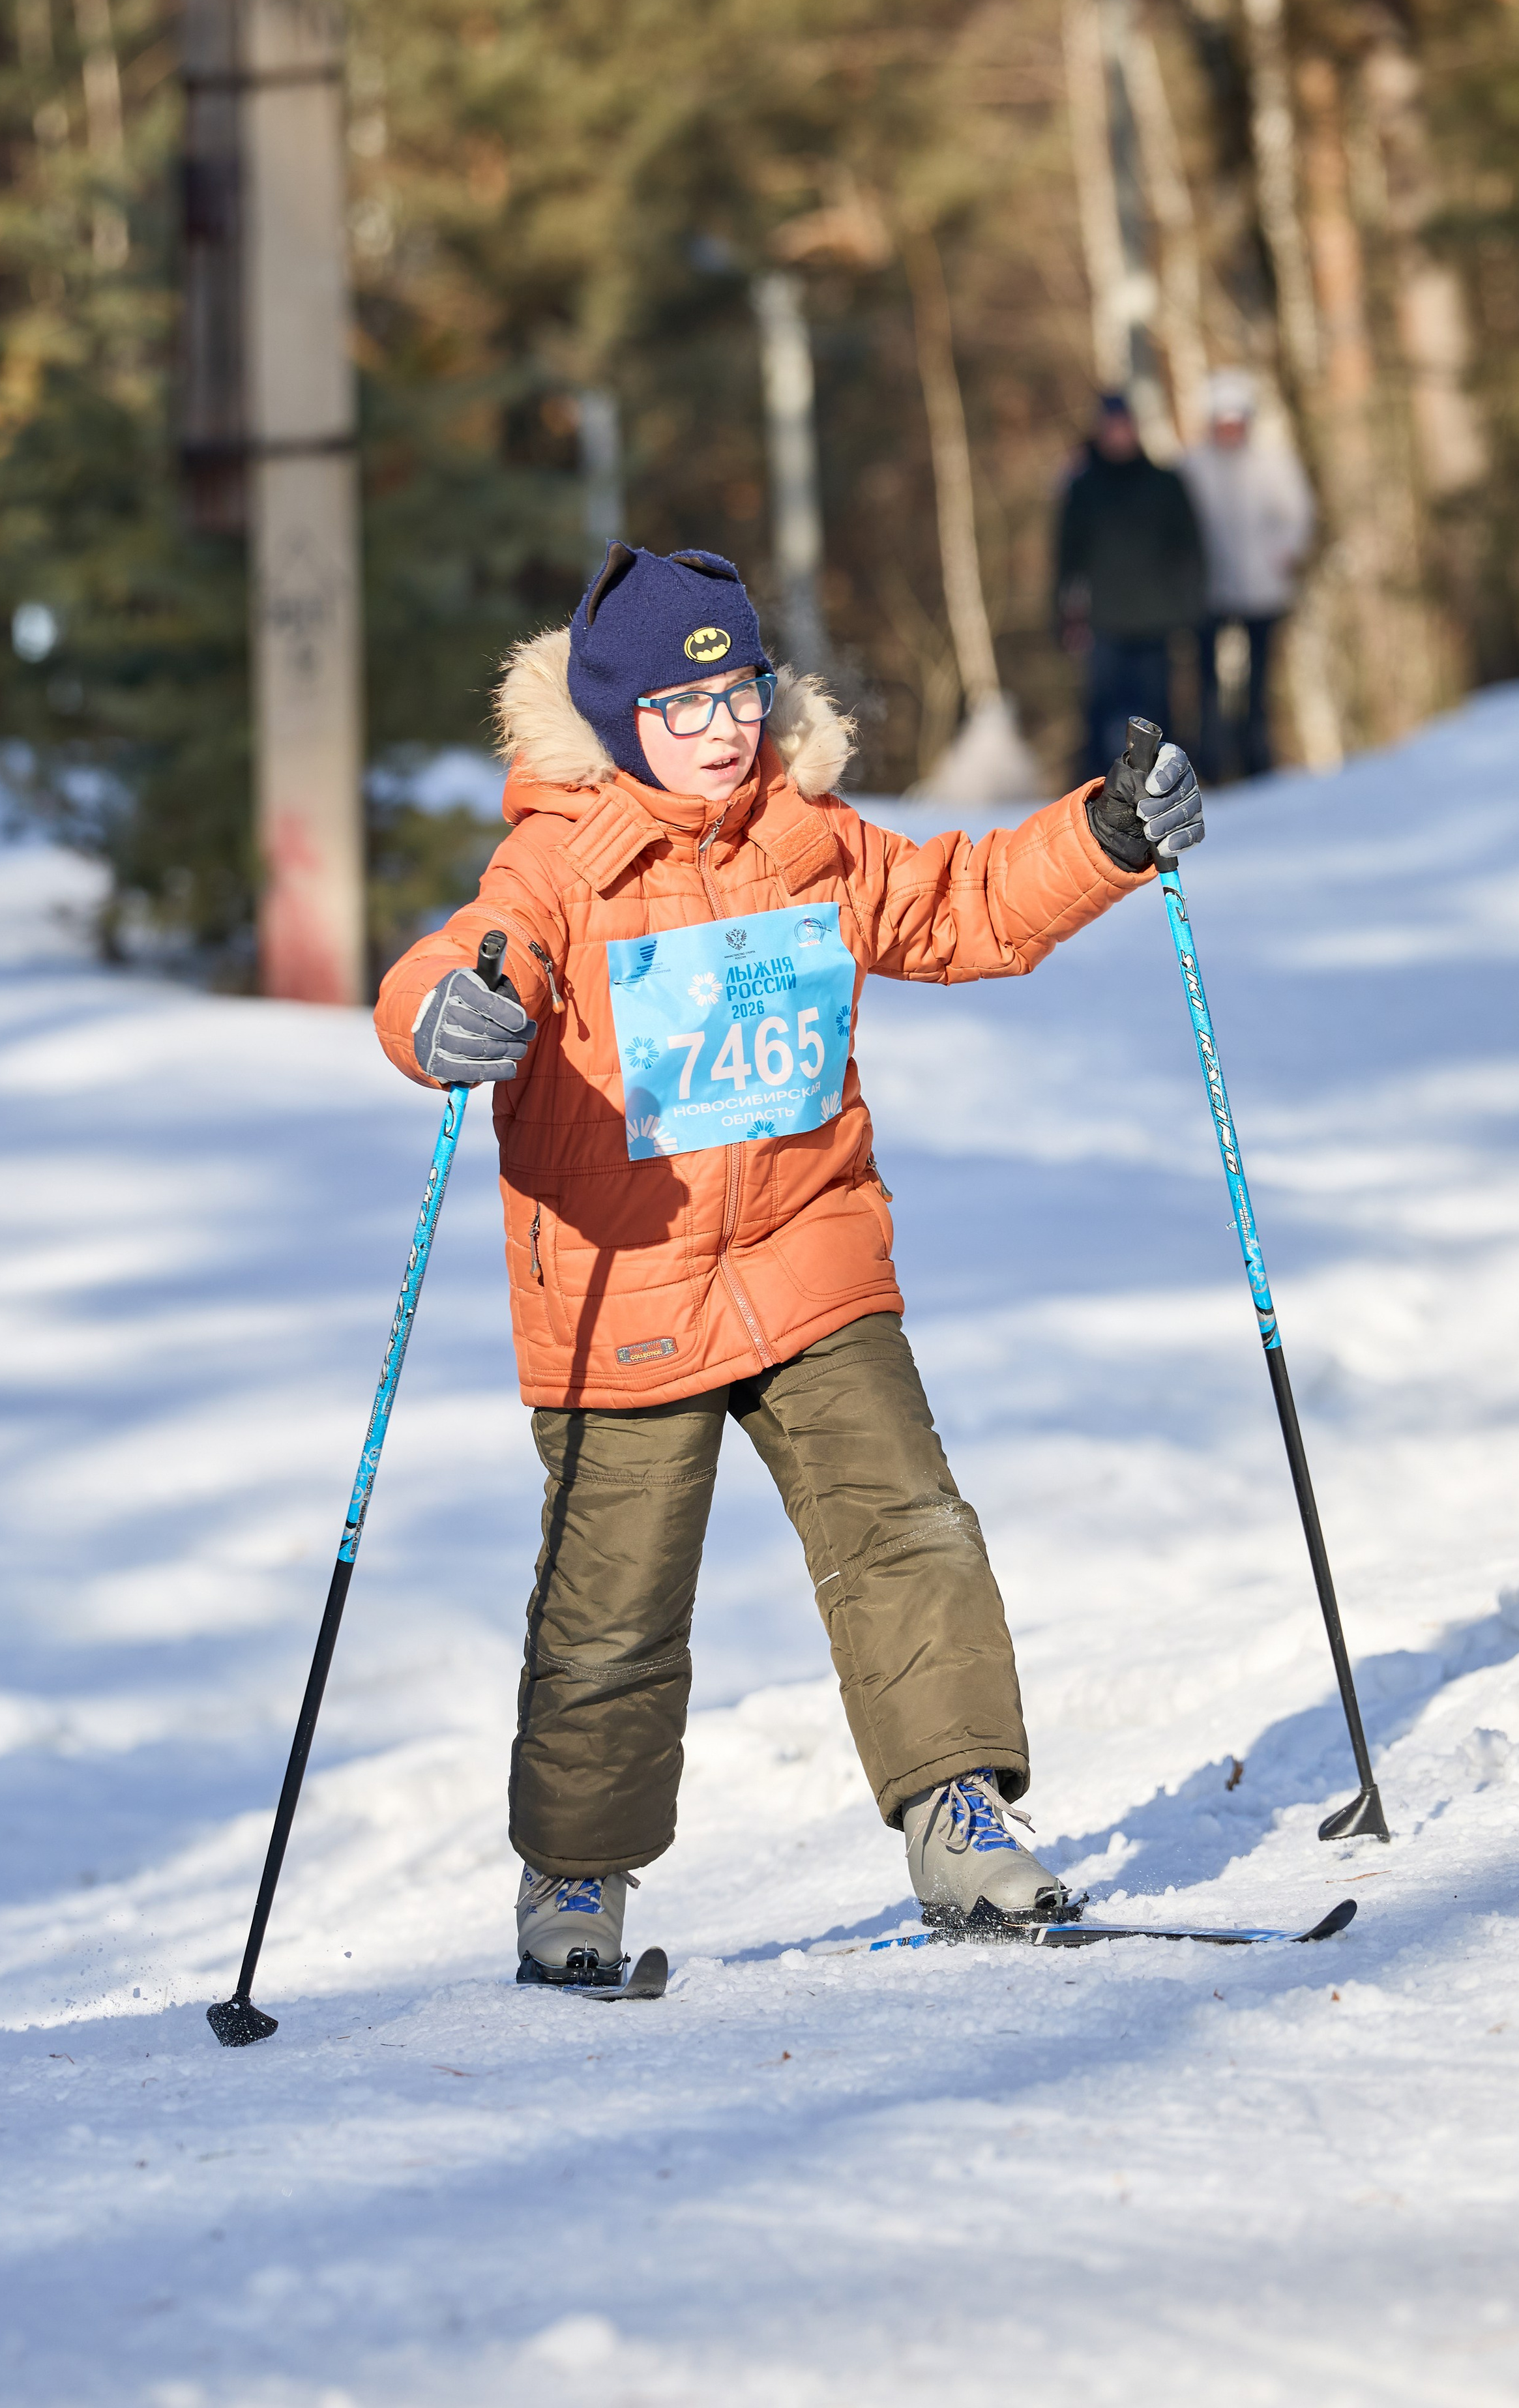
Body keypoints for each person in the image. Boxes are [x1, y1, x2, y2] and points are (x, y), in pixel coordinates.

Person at [374, 542, 1205, 1986]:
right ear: (622, 717)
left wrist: (1107, 835)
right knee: (611, 1607)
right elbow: (459, 961)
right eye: (684, 711)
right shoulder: (559, 859)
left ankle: (959, 1818)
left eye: (741, 694)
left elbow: (959, 905)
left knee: (906, 1529)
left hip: (808, 1254)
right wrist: (443, 1015)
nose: (723, 732)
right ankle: (574, 1881)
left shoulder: (802, 833)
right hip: (622, 1289)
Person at [1053, 390, 1207, 784]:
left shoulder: (1165, 483)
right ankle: (1096, 793)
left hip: (1157, 621)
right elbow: (1066, 557)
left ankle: (1162, 788)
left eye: (1126, 426)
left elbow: (1189, 550)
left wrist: (1191, 608)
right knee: (1101, 714)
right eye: (1112, 427)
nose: (1120, 435)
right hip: (1103, 621)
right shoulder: (1083, 488)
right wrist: (1060, 614)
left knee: (1157, 715)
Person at [1179, 370, 1316, 781]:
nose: (1231, 430)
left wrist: (1284, 556)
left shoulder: (1273, 462)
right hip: (1209, 594)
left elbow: (1298, 514)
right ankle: (1209, 765)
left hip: (1263, 592)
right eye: (1223, 422)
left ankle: (1259, 762)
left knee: (1257, 685)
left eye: (1237, 421)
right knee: (1208, 684)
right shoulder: (1191, 468)